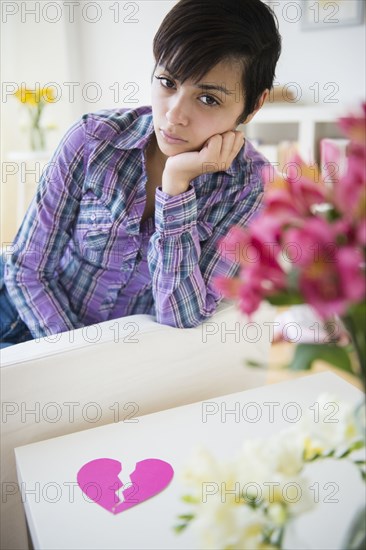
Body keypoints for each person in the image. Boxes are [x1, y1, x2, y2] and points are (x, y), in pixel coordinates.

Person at [0, 0, 281, 348]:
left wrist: (176, 188)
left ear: (254, 105)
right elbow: (26, 269)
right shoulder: (93, 139)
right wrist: (79, 357)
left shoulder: (251, 188)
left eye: (208, 99)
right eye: (167, 82)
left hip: (115, 360)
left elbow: (181, 318)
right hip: (23, 317)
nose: (175, 114)